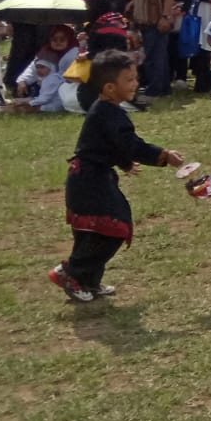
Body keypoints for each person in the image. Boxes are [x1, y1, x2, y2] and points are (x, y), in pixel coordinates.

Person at [48, 50, 187, 303]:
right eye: (129, 80)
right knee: (114, 227)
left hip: (89, 177)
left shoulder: (106, 110)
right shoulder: (109, 113)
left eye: (135, 78)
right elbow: (131, 144)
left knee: (91, 232)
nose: (136, 83)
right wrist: (164, 155)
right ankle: (71, 273)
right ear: (110, 88)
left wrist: (123, 163)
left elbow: (111, 145)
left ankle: (88, 281)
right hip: (90, 180)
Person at [127, 0, 176, 99]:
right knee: (152, 54)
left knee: (156, 56)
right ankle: (161, 88)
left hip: (156, 18)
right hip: (144, 18)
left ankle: (155, 90)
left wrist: (166, 16)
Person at [0, 0, 53, 91]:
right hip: (21, 19)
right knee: (20, 49)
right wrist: (10, 21)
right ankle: (12, 80)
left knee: (38, 47)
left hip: (41, 18)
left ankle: (34, 80)